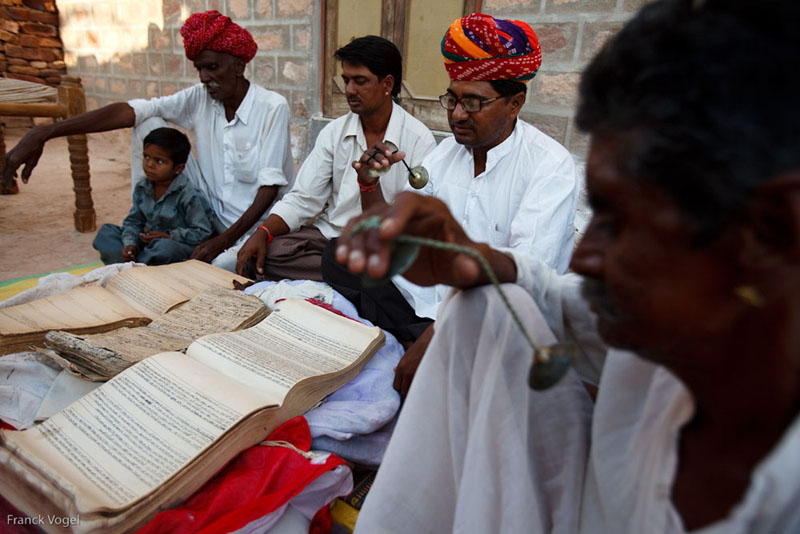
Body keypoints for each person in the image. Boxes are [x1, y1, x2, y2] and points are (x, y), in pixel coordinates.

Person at [338, 0, 800, 532]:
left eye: (626, 223)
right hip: (452, 304)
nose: (585, 257)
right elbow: (556, 297)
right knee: (475, 300)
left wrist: (443, 325)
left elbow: (547, 280)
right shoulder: (662, 333)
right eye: (599, 215)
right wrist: (470, 260)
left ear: (772, 229)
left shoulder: (774, 485)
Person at [323, 14, 579, 396]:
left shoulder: (550, 166)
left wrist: (439, 333)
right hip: (433, 301)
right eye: (453, 100)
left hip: (499, 311)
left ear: (514, 103)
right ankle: (421, 338)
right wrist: (368, 182)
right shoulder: (447, 155)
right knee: (339, 255)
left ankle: (424, 342)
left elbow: (521, 280)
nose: (457, 115)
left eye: (473, 103)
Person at [3, 10, 294, 272]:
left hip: (250, 228)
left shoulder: (272, 107)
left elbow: (270, 190)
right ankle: (148, 227)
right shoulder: (200, 98)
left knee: (223, 266)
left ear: (239, 66)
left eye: (213, 67)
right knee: (147, 121)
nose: (205, 77)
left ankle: (161, 253)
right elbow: (131, 110)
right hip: (205, 218)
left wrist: (221, 241)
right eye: (199, 69)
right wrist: (44, 132)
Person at [234, 36, 436, 282]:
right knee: (273, 252)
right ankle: (353, 282)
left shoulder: (418, 139)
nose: (349, 90)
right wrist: (263, 232)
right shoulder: (334, 132)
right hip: (331, 240)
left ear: (388, 84)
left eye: (360, 81)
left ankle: (351, 280)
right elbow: (303, 199)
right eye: (346, 80)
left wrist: (370, 186)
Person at [92, 127, 214, 265]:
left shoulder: (189, 195)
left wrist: (169, 236)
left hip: (174, 245)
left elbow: (202, 232)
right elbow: (134, 222)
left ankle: (135, 267)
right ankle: (136, 262)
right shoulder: (142, 187)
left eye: (159, 161)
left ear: (178, 168)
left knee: (165, 249)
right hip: (146, 245)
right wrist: (130, 244)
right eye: (146, 157)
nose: (150, 164)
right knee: (106, 233)